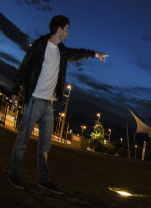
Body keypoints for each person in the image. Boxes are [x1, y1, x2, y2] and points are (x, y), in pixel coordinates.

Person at [9, 15, 108, 194]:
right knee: (22, 141)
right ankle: (14, 175)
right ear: (59, 29)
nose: (68, 33)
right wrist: (15, 90)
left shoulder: (62, 51)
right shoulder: (39, 46)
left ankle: (44, 181)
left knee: (45, 147)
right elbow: (24, 68)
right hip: (34, 101)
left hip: (49, 106)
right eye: (67, 29)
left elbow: (77, 53)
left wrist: (95, 54)